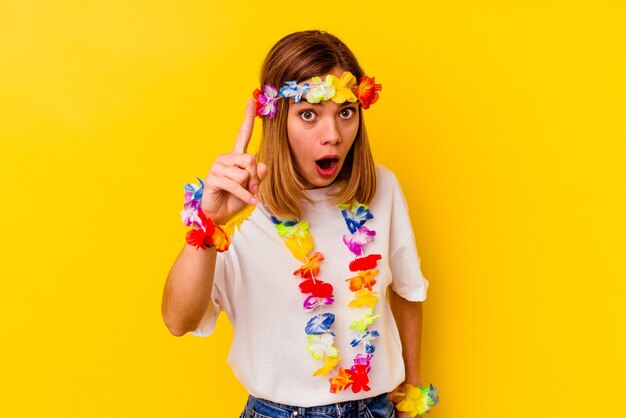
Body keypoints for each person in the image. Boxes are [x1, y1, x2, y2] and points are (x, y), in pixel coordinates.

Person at [162, 30, 437, 418]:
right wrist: (208, 224)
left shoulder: (384, 190)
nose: (333, 136)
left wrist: (413, 387)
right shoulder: (242, 203)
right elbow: (178, 320)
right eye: (309, 114)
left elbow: (408, 291)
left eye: (345, 112)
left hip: (375, 409)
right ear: (277, 121)